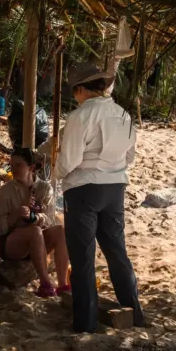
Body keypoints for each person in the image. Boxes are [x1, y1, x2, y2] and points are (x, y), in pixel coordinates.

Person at [54, 61, 143, 333]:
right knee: (117, 251)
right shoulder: (122, 114)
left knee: (82, 259)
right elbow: (130, 156)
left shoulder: (81, 116)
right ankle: (135, 312)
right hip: (115, 186)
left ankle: (86, 322)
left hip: (83, 188)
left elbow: (70, 159)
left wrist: (56, 173)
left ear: (81, 89)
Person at [0, 147, 70, 298]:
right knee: (34, 232)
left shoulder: (44, 188)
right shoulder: (6, 191)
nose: (13, 169)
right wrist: (16, 215)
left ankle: (62, 285)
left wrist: (34, 217)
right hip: (11, 244)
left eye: (18, 165)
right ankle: (45, 283)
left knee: (60, 230)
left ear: (31, 168)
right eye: (12, 165)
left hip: (38, 240)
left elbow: (49, 219)